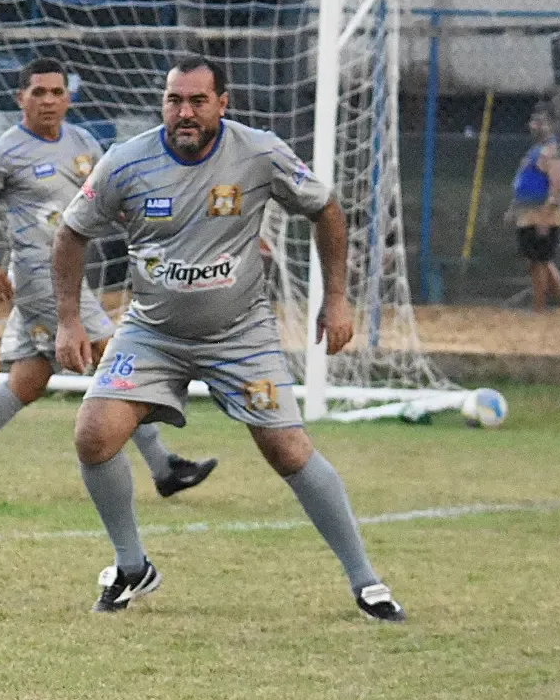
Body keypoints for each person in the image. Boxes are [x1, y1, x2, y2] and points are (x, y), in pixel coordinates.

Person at [51, 55, 404, 622]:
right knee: (94, 435)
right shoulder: (125, 161)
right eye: (174, 101)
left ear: (223, 102)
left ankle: (366, 581)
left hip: (240, 334)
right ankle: (132, 566)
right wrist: (69, 319)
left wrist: (336, 298)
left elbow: (327, 210)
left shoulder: (259, 152)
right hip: (151, 334)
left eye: (197, 100)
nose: (184, 112)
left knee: (287, 448)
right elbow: (70, 235)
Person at [0, 57, 217, 499]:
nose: (49, 100)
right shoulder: (4, 153)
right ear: (21, 99)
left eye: (57, 92)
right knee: (117, 360)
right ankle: (164, 466)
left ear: (69, 97)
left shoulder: (83, 141)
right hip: (38, 277)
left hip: (70, 276)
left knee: (28, 381)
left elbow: (111, 195)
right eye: (39, 92)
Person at [505, 103, 560, 312]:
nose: (534, 126)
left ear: (551, 125)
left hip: (541, 211)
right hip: (527, 210)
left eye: (540, 122)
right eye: (533, 121)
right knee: (536, 261)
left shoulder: (553, 150)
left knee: (540, 260)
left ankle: (540, 307)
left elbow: (556, 186)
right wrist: (513, 208)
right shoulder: (535, 150)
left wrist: (545, 216)